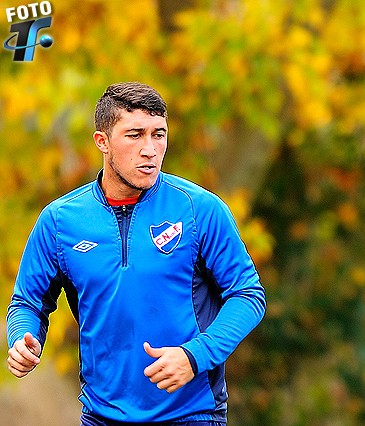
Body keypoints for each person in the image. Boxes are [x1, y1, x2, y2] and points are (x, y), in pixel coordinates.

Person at [6, 82, 266, 425]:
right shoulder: (59, 221)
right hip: (101, 416)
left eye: (159, 135)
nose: (150, 149)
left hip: (191, 414)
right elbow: (28, 303)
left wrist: (195, 356)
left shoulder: (200, 209)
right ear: (102, 142)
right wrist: (23, 338)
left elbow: (248, 296)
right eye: (135, 135)